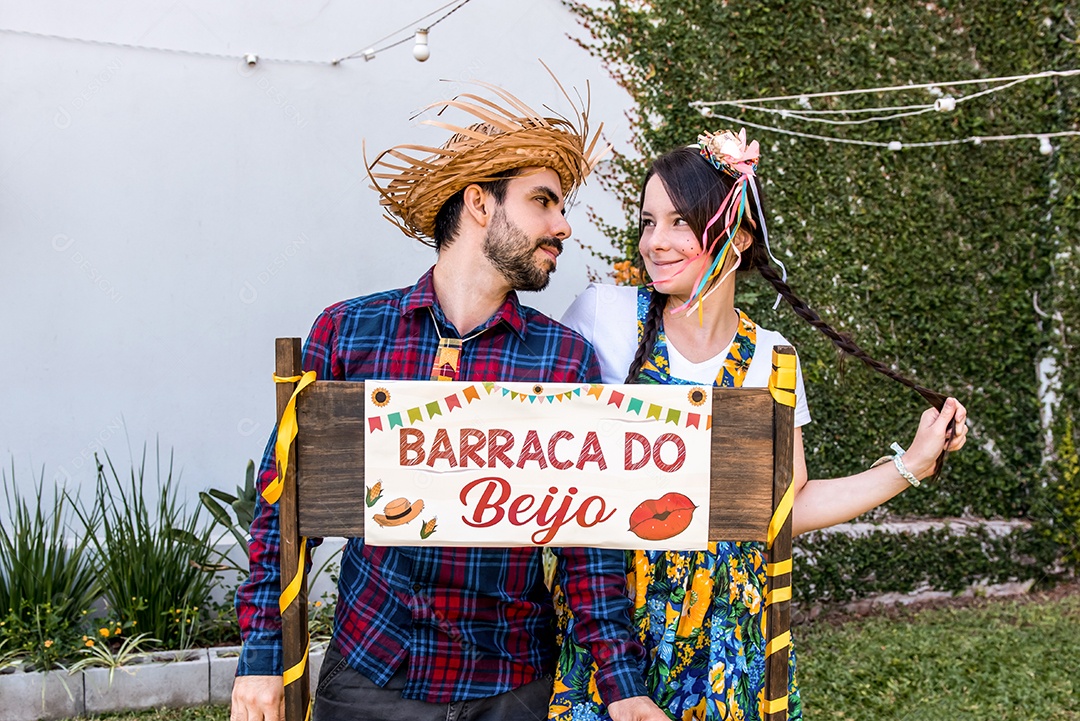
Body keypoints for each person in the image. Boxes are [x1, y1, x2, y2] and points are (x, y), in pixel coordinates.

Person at [230, 83, 670, 721]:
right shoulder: (349, 333)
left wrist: (621, 683)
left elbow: (587, 543)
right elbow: (283, 507)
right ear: (480, 204)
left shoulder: (562, 360)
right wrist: (263, 657)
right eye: (542, 201)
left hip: (511, 682)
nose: (562, 225)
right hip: (373, 671)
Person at [548, 130, 969, 721]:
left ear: (738, 237)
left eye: (678, 223)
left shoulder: (775, 359)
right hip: (616, 635)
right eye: (648, 222)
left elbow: (782, 509)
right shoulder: (603, 318)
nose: (655, 242)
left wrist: (911, 466)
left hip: (730, 645)